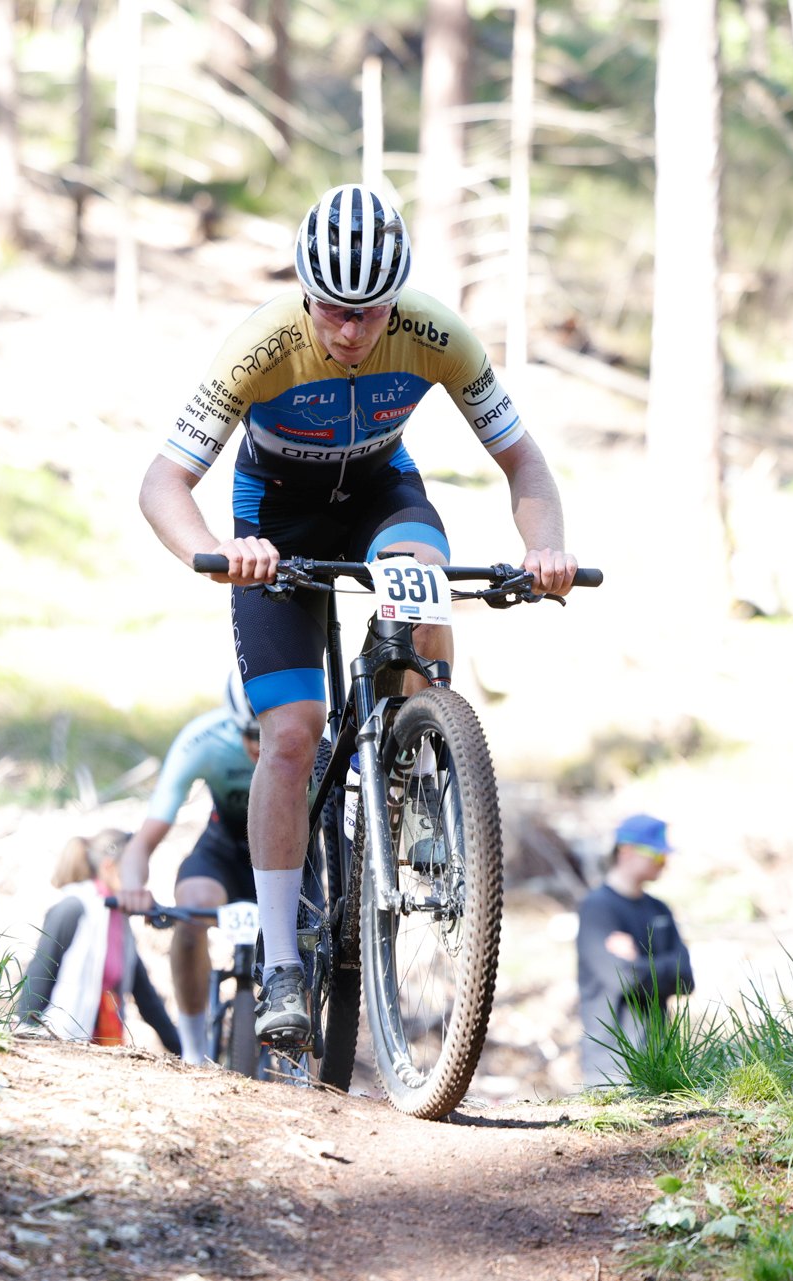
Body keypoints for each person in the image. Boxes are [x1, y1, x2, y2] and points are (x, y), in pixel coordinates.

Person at [137, 183, 580, 1049]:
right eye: (333, 310)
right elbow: (162, 482)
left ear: (395, 301)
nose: (349, 330)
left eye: (369, 312)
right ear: (306, 294)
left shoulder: (436, 334)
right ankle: (282, 963)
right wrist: (217, 550)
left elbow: (523, 460)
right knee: (291, 733)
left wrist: (547, 548)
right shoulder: (260, 345)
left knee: (424, 581)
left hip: (382, 496)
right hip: (277, 521)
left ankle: (422, 763)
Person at [113, 675, 263, 1065]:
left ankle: (309, 1075)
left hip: (296, 864)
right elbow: (142, 842)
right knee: (192, 912)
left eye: (269, 733)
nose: (259, 746)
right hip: (224, 853)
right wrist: (133, 886)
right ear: (233, 723)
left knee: (313, 949)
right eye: (250, 734)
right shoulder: (205, 740)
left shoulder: (316, 739)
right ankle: (194, 1051)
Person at [17, 830, 181, 1054]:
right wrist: (23, 1039)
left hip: (104, 1046)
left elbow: (145, 995)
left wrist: (184, 1049)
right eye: (133, 868)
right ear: (109, 866)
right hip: (61, 1044)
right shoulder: (73, 909)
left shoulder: (119, 920)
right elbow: (39, 977)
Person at [576, 814, 696, 1088]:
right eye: (656, 855)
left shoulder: (659, 909)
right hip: (610, 1068)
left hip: (658, 1062)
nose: (663, 863)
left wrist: (638, 963)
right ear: (626, 851)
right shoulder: (597, 908)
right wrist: (662, 967)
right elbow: (625, 979)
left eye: (665, 856)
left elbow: (686, 977)